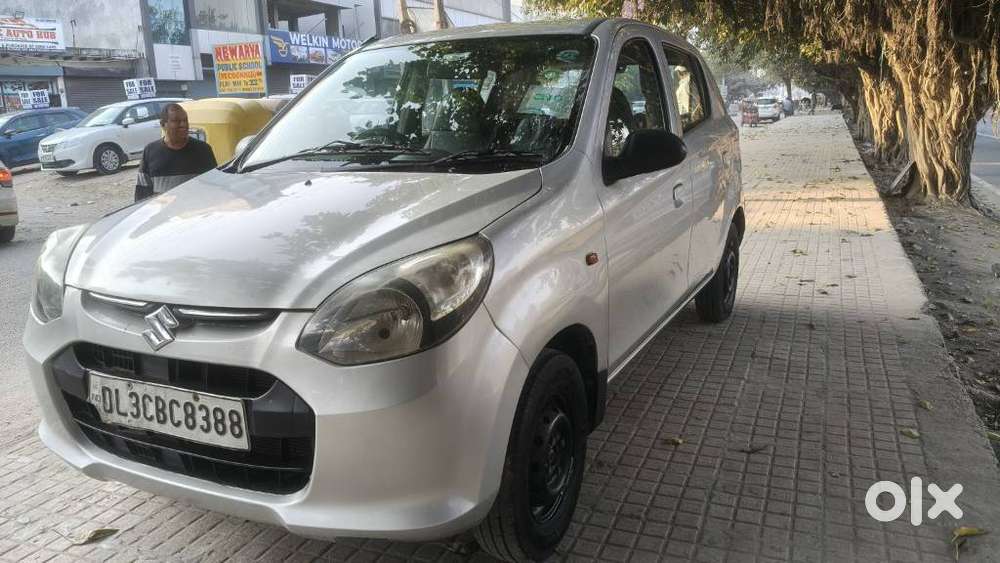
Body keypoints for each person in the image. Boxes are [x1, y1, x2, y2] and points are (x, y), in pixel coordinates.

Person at [135, 103, 217, 202]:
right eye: (176, 121)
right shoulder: (150, 151)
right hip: (164, 211)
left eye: (185, 120)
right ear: (163, 124)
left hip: (197, 210)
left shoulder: (203, 150)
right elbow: (142, 193)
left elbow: (215, 187)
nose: (184, 125)